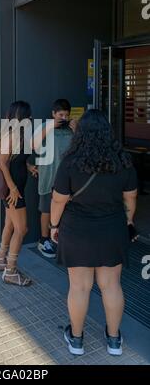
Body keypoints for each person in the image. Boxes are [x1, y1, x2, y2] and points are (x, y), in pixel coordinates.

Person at [50, 109, 137, 356]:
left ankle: (76, 340)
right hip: (112, 229)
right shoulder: (123, 160)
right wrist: (128, 221)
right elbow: (130, 196)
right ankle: (114, 341)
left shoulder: (70, 162)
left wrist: (54, 226)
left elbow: (58, 200)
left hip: (77, 230)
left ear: (81, 134)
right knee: (111, 285)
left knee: (79, 287)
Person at [0, 101, 38, 286]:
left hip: (15, 188)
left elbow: (15, 160)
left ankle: (1, 260)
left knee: (10, 225)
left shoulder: (20, 135)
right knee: (22, 229)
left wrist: (29, 167)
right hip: (13, 191)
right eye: (28, 116)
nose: (30, 118)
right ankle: (10, 271)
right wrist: (13, 187)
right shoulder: (11, 135)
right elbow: (1, 162)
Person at [34, 99, 76, 258]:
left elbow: (82, 148)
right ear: (53, 114)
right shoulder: (45, 127)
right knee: (46, 209)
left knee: (66, 211)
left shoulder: (72, 130)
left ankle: (62, 240)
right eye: (60, 114)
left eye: (66, 115)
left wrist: (77, 130)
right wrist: (51, 125)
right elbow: (34, 144)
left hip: (68, 178)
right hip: (49, 175)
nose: (64, 118)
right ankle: (43, 240)